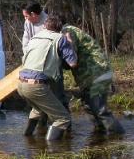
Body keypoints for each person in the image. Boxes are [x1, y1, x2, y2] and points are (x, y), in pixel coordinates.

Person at [18, 13, 78, 141]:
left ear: (45, 26)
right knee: (63, 118)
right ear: (59, 28)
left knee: (37, 110)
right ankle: (52, 152)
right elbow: (73, 63)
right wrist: (70, 43)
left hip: (21, 84)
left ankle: (27, 139)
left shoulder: (35, 38)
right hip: (36, 86)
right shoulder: (60, 38)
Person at [62, 24, 125, 134]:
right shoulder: (67, 31)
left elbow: (71, 57)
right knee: (89, 107)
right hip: (90, 75)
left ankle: (118, 138)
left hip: (96, 73)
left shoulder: (68, 32)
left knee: (100, 110)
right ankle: (100, 135)